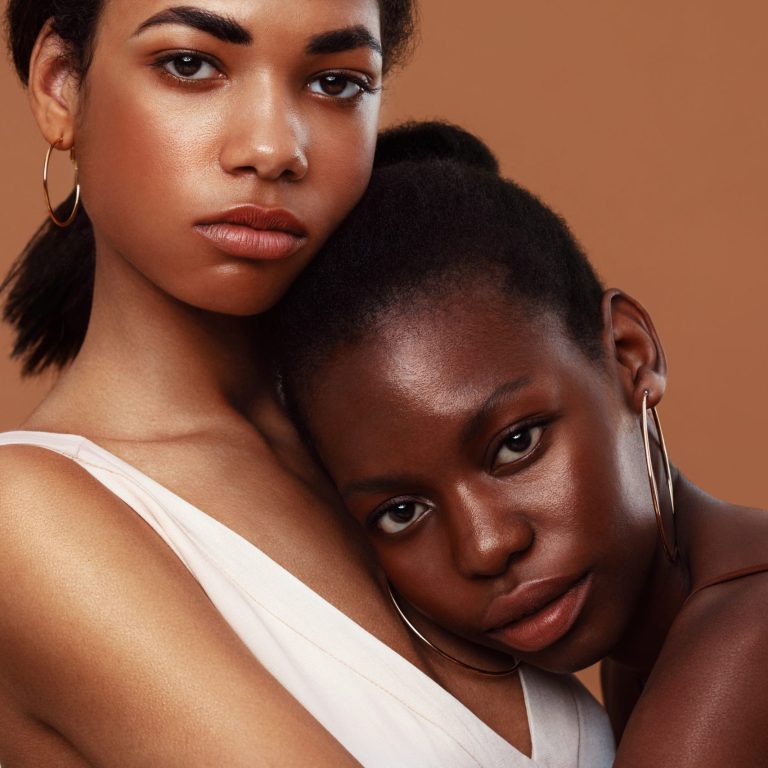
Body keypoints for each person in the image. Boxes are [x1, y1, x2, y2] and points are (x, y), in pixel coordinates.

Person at [0, 4, 615, 768]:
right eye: (191, 65)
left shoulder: (407, 451)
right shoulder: (25, 521)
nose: (272, 148)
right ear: (61, 86)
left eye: (334, 82)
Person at [275, 122, 768, 768]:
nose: (484, 546)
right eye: (402, 512)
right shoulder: (660, 634)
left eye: (515, 445)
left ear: (629, 354)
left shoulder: (744, 642)